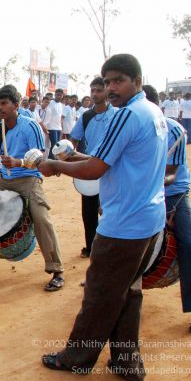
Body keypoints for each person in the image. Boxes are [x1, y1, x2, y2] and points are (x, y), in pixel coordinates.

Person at [38, 54, 167, 381]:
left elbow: (95, 170)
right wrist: (73, 158)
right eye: (107, 81)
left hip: (124, 223)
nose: (111, 88)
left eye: (118, 81)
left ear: (137, 81)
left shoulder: (127, 115)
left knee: (100, 293)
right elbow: (108, 161)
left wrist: (56, 166)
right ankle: (127, 362)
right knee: (128, 291)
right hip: (149, 219)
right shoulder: (153, 112)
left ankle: (76, 358)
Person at [0, 85, 64, 291]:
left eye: (4, 104)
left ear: (16, 105)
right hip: (4, 180)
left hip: (29, 179)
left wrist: (18, 162)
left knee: (42, 219)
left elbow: (40, 158)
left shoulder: (30, 126)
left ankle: (56, 269)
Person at [143, 86, 191, 335]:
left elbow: (171, 175)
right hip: (143, 193)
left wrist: (141, 183)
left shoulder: (172, 128)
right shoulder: (132, 127)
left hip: (172, 194)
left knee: (187, 242)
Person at [68, 77, 116, 258]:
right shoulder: (86, 116)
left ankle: (109, 248)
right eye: (92, 90)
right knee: (88, 212)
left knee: (108, 210)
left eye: (99, 90)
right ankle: (91, 247)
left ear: (106, 91)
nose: (95, 94)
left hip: (110, 170)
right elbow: (74, 139)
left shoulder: (117, 115)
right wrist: (68, 154)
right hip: (88, 169)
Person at [44, 89, 64, 158]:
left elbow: (60, 117)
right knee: (54, 144)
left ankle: (52, 158)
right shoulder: (50, 103)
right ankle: (51, 159)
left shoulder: (61, 105)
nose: (59, 96)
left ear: (62, 96)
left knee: (57, 145)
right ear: (55, 95)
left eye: (60, 95)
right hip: (51, 127)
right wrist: (45, 126)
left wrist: (61, 128)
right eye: (58, 95)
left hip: (58, 128)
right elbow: (46, 114)